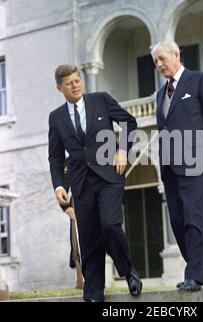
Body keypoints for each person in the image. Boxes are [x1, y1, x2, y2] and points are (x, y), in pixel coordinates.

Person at [48, 64, 142, 302]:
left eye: (77, 80)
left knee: (110, 225)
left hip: (109, 176)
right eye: (69, 83)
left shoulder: (101, 100)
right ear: (60, 88)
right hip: (80, 184)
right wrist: (59, 186)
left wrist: (122, 150)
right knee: (89, 240)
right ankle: (93, 294)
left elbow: (129, 122)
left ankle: (128, 271)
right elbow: (56, 156)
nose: (75, 85)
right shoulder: (56, 118)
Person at [151, 41, 203, 292]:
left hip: (197, 164)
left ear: (176, 55)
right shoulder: (160, 94)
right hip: (170, 168)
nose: (159, 65)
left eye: (162, 58)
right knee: (177, 221)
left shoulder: (199, 80)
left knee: (195, 219)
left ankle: (193, 276)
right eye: (155, 62)